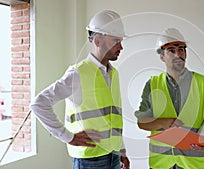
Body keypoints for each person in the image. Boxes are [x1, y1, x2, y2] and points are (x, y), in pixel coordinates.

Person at [30, 10, 130, 169]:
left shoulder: (114, 73)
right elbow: (39, 103)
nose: (121, 46)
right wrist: (67, 137)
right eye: (115, 41)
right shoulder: (78, 73)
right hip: (90, 159)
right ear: (98, 41)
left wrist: (122, 150)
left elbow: (114, 117)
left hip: (114, 154)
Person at [135, 28, 204, 169]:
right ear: (162, 56)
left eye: (181, 49)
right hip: (162, 163)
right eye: (171, 50)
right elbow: (142, 122)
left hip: (194, 163)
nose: (178, 54)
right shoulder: (153, 84)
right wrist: (164, 122)